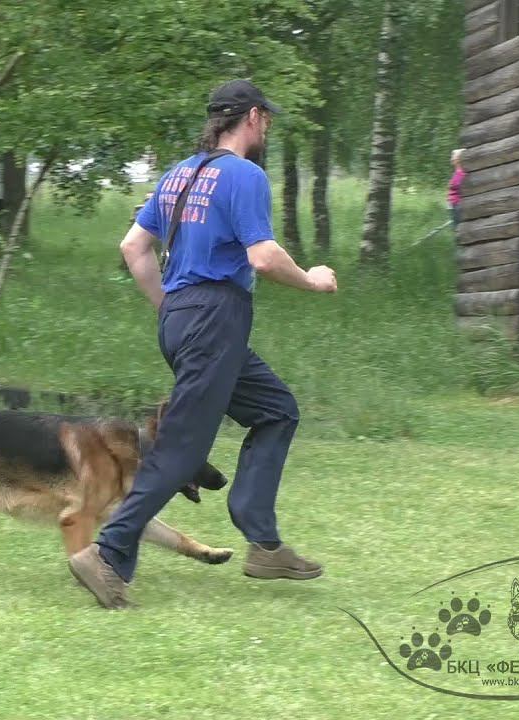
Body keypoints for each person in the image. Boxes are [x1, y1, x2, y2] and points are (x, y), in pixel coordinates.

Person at [68, 79, 338, 609]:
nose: (269, 129)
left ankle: (264, 544)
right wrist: (312, 279)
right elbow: (261, 256)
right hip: (216, 317)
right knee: (183, 447)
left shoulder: (178, 174)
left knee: (276, 410)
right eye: (269, 120)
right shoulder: (244, 176)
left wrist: (172, 309)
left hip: (183, 318)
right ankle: (108, 552)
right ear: (255, 117)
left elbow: (134, 247)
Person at [448, 148, 465, 229]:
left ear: (458, 159)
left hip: (458, 204)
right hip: (454, 204)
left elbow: (458, 186)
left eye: (453, 156)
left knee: (458, 229)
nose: (451, 158)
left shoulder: (460, 173)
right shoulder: (456, 172)